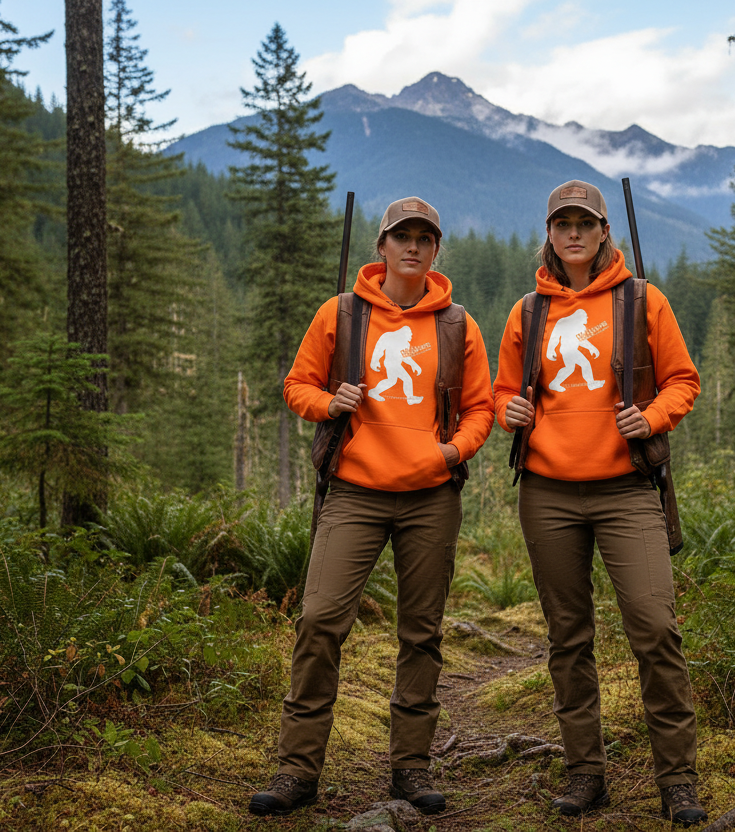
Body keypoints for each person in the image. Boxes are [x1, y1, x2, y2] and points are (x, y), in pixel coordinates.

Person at [250, 197, 494, 817]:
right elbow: (296, 386)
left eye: (424, 238)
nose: (412, 246)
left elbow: (481, 408)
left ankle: (410, 768)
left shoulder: (457, 325)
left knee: (421, 632)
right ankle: (297, 770)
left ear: (435, 250)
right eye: (401, 236)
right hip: (354, 492)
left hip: (431, 496)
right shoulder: (340, 313)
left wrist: (451, 452)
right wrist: (329, 404)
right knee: (319, 621)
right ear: (381, 246)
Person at [493, 180, 706, 825]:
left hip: (628, 490)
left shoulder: (644, 300)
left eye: (585, 223)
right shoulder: (527, 312)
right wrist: (509, 411)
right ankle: (585, 773)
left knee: (655, 629)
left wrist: (654, 417)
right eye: (563, 223)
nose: (574, 233)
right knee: (568, 636)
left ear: (604, 231)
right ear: (549, 233)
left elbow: (683, 381)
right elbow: (502, 393)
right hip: (547, 492)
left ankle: (678, 779)